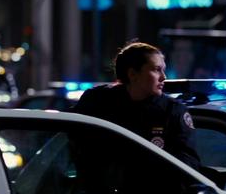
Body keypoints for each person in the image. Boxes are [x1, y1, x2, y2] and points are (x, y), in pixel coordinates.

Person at [73, 41, 201, 170]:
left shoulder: (172, 111)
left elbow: (188, 165)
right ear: (133, 74)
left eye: (163, 70)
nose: (163, 77)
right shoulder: (97, 102)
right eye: (157, 70)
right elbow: (74, 143)